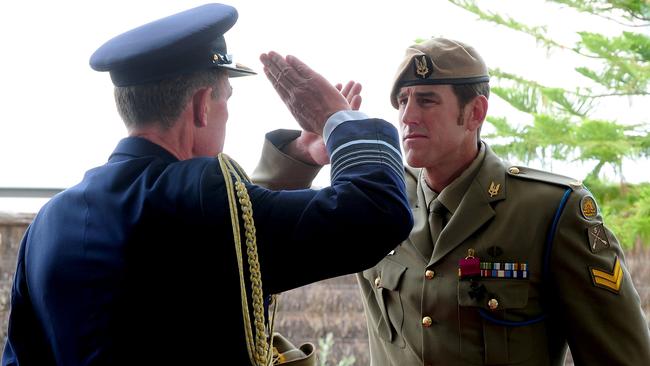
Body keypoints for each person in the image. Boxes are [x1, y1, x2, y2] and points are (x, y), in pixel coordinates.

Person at [1, 3, 413, 365]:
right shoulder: (204, 199)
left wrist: (301, 156)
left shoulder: (50, 222)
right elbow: (377, 212)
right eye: (226, 99)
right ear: (201, 106)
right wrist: (340, 122)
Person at [252, 37, 650, 365]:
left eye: (426, 101)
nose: (407, 117)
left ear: (475, 112)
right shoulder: (378, 201)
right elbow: (250, 241)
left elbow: (621, 356)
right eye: (402, 102)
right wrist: (306, 155)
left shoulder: (550, 210)